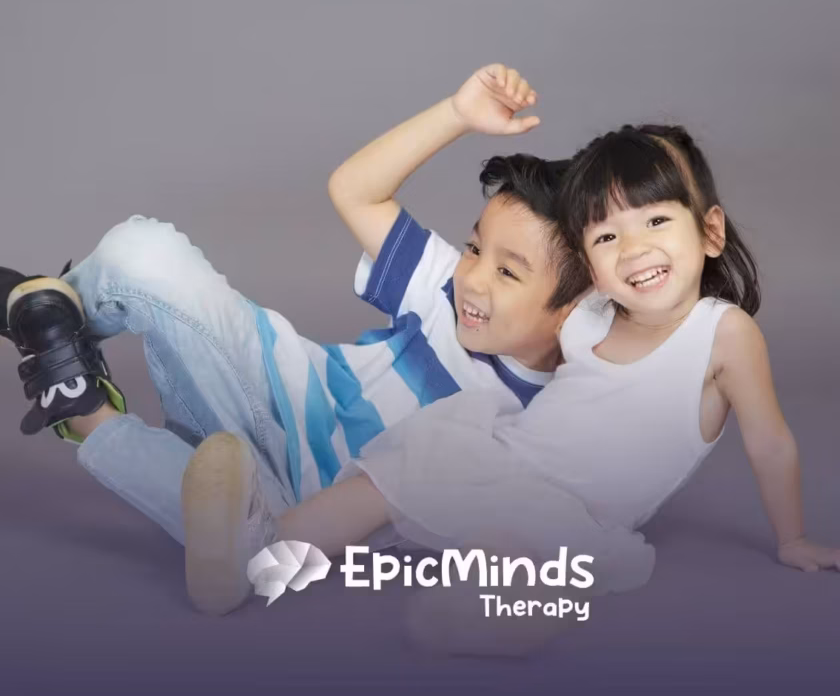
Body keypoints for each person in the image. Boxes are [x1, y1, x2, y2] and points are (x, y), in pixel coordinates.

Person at [181, 123, 840, 652]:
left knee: (519, 559)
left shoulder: (722, 334)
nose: (634, 250)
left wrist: (792, 538)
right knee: (377, 487)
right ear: (588, 268)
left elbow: (771, 443)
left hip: (577, 510)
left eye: (658, 223)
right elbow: (519, 294)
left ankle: (483, 619)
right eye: (608, 236)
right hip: (501, 452)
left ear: (711, 232)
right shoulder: (589, 314)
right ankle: (253, 562)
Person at [0, 64, 590, 602]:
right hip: (267, 388)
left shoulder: (559, 419)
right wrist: (457, 116)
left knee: (249, 544)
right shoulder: (444, 285)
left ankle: (81, 411)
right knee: (143, 248)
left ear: (575, 309)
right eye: (474, 249)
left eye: (508, 272)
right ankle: (50, 313)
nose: (475, 280)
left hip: (303, 509)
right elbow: (355, 189)